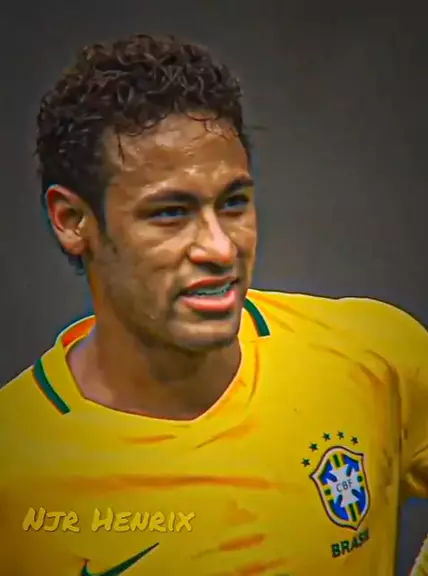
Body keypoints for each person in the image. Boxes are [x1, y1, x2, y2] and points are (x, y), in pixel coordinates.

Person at [0, 33, 426, 576]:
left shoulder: (372, 354)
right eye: (170, 213)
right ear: (72, 221)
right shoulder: (15, 471)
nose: (221, 248)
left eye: (233, 203)